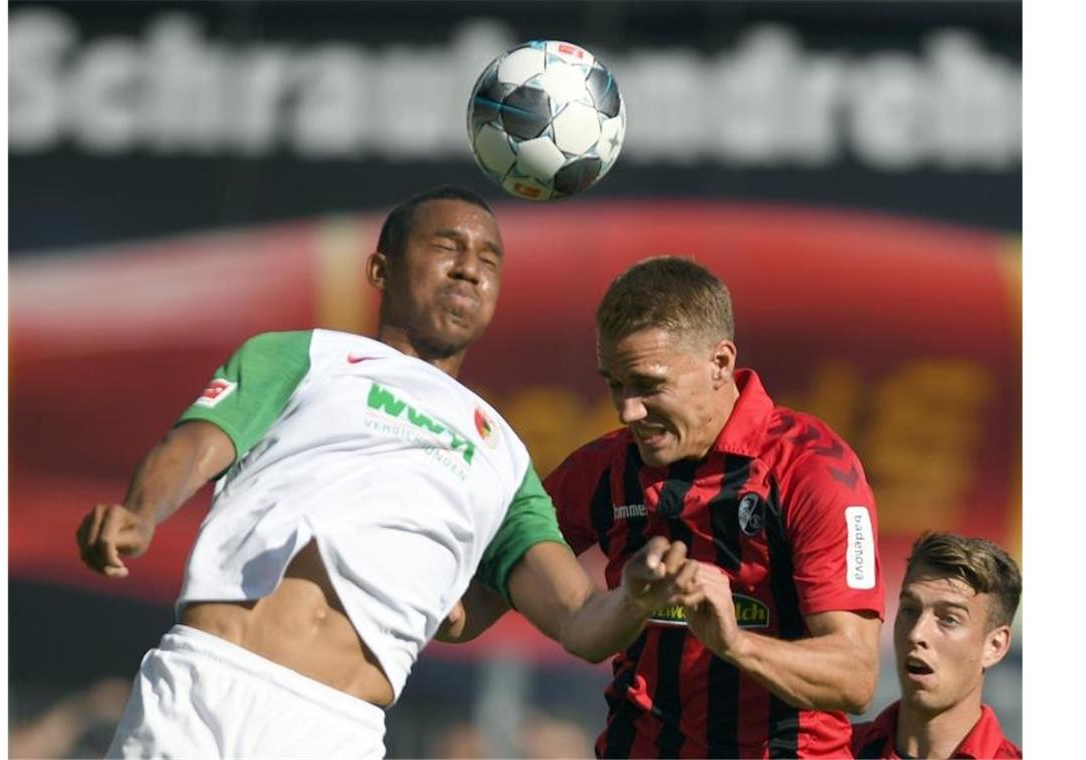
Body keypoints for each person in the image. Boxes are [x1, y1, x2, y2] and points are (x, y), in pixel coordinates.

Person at [74, 187, 710, 759]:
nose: (469, 268)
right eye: (447, 247)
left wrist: (634, 598)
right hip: (205, 687)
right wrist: (139, 512)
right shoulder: (305, 355)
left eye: (489, 261)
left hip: (334, 731)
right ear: (380, 268)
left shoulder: (505, 458)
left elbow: (578, 620)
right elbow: (193, 445)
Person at [447, 256, 886, 757]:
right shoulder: (604, 470)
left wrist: (736, 643)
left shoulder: (812, 469)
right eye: (614, 383)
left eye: (650, 385)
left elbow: (855, 676)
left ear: (720, 363)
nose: (627, 409)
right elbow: (468, 611)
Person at [852, 532, 1021, 758]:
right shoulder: (834, 752)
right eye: (909, 610)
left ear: (995, 646)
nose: (916, 633)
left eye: (948, 619)